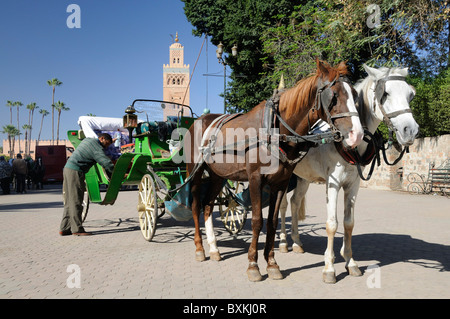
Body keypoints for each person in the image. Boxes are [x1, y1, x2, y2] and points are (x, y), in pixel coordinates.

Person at [59, 133, 115, 236]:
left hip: (68, 169)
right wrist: (116, 172)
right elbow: (105, 162)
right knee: (76, 200)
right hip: (75, 171)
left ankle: (65, 228)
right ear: (102, 138)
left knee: (69, 200)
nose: (105, 147)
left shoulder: (88, 140)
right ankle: (77, 229)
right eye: (106, 144)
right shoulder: (96, 146)